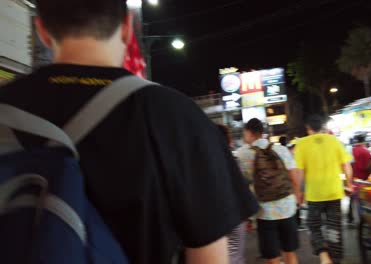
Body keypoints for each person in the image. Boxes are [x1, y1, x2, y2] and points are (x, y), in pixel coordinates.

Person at [0, 1, 259, 263]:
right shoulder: (176, 116)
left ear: (41, 29)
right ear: (127, 28)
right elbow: (209, 257)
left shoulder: (5, 108)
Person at [237, 118, 300, 264]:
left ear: (248, 132)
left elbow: (242, 184)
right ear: (262, 132)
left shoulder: (242, 154)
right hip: (287, 208)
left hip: (264, 212)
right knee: (289, 252)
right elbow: (294, 177)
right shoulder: (281, 150)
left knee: (272, 258)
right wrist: (297, 198)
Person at [294, 115, 353, 264]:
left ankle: (324, 255)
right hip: (334, 192)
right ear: (322, 127)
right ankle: (336, 259)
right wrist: (349, 184)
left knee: (314, 226)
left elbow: (299, 172)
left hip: (314, 195)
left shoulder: (302, 144)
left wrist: (298, 193)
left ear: (308, 129)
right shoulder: (334, 141)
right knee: (334, 228)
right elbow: (346, 165)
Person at [217, 124, 247, 264]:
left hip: (214, 217)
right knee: (235, 255)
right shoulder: (234, 161)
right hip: (236, 215)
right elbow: (242, 188)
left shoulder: (200, 163)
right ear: (228, 141)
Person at [348, 134, 371, 223]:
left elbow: (348, 164)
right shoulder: (366, 151)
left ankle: (350, 217)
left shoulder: (351, 150)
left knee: (352, 198)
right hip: (363, 179)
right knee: (363, 200)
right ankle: (363, 219)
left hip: (353, 178)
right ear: (364, 141)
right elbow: (368, 166)